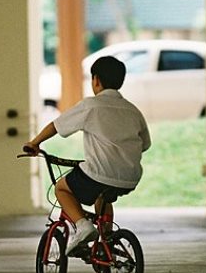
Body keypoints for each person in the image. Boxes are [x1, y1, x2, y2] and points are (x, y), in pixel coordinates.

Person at [24, 55, 151, 255]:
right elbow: (145, 144)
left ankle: (82, 226)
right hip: (130, 176)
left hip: (99, 173)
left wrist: (34, 143)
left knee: (62, 188)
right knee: (103, 196)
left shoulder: (91, 105)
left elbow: (56, 125)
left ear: (96, 80)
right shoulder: (133, 110)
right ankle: (106, 242)